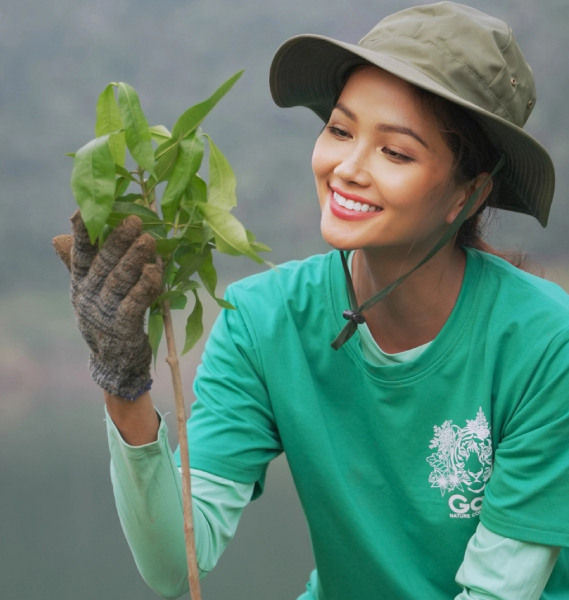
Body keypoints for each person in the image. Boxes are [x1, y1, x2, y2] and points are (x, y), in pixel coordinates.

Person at [53, 3, 569, 599]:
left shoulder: (543, 343)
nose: (347, 168)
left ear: (468, 193)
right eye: (341, 130)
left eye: (395, 152)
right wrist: (123, 385)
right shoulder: (262, 321)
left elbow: (496, 592)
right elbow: (175, 563)